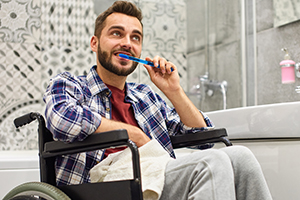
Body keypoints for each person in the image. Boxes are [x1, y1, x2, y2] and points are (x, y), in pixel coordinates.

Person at [43, 1, 272, 199]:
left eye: (135, 37)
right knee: (209, 163)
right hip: (99, 186)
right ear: (95, 43)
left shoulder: (146, 96)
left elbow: (203, 139)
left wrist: (174, 90)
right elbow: (62, 119)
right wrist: (134, 134)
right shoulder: (70, 84)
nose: (127, 43)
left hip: (156, 175)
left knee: (242, 156)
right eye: (116, 33)